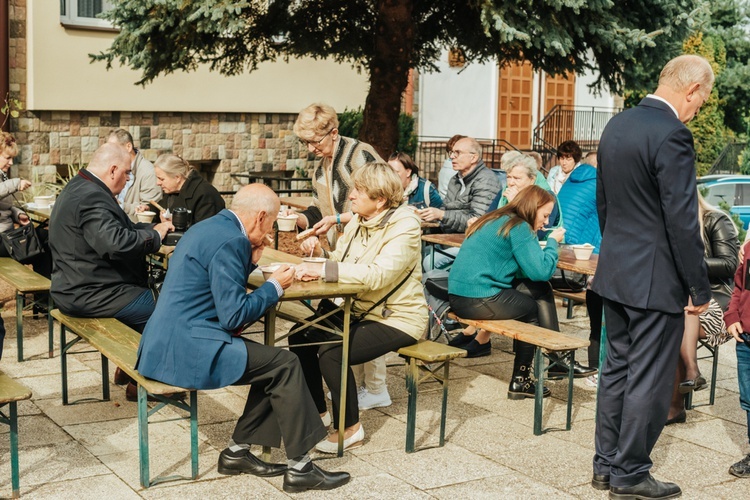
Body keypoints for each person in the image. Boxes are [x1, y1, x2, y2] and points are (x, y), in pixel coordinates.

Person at [135, 184, 349, 492]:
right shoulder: (231, 240)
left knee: (272, 364)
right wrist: (275, 286)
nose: (272, 228)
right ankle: (300, 467)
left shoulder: (209, 227)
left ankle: (237, 452)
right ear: (261, 217)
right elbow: (234, 315)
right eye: (272, 222)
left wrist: (253, 258)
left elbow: (218, 281)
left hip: (164, 342)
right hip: (187, 349)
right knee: (285, 364)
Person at [592, 54, 714, 499]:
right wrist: (698, 288)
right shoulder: (673, 134)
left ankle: (605, 466)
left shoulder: (616, 126)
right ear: (692, 89)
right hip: (655, 280)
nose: (698, 109)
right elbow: (683, 222)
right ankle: (630, 473)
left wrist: (619, 256)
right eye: (702, 100)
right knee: (650, 378)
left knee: (616, 371)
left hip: (617, 273)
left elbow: (605, 204)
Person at [290, 162, 427, 453]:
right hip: (360, 308)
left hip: (398, 317)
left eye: (359, 191)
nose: (350, 196)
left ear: (380, 200)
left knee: (332, 351)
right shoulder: (359, 221)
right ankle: (319, 413)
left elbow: (378, 274)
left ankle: (349, 428)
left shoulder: (405, 225)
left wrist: (325, 269)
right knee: (300, 335)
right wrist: (319, 253)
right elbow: (340, 260)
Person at [447, 186, 564, 392]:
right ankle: (523, 379)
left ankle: (557, 358)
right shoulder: (520, 226)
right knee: (531, 310)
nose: (547, 222)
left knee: (540, 290)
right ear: (532, 208)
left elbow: (523, 272)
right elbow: (541, 271)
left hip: (460, 295)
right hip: (477, 299)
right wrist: (553, 243)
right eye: (545, 215)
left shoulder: (497, 218)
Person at [666, 192, 738, 424]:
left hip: (719, 299)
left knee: (679, 317)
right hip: (684, 302)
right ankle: (689, 378)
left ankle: (678, 400)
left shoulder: (715, 220)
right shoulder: (669, 226)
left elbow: (730, 264)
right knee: (670, 321)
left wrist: (688, 263)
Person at [292, 103, 381, 249]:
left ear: (334, 133)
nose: (310, 148)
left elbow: (381, 202)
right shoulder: (321, 169)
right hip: (341, 251)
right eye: (306, 142)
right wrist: (298, 218)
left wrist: (336, 219)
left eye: (316, 141)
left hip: (370, 248)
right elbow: (318, 212)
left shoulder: (361, 154)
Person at [419, 136, 501, 269]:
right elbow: (447, 209)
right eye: (451, 152)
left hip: (474, 244)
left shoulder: (486, 181)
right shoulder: (455, 179)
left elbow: (477, 222)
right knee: (417, 253)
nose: (452, 156)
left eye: (457, 153)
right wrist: (427, 214)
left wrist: (441, 215)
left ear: (473, 158)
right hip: (451, 239)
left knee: (429, 262)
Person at [557, 160, 602, 383]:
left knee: (597, 311)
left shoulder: (573, 179)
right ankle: (598, 371)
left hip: (563, 249)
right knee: (605, 314)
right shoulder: (601, 183)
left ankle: (593, 370)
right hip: (583, 261)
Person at [0, 131, 52, 280]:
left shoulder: (2, 175)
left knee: (42, 249)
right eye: (7, 158)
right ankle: (45, 297)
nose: (11, 163)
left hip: (6, 237)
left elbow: (5, 206)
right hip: (2, 240)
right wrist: (16, 183)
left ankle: (42, 296)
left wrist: (18, 215)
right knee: (46, 238)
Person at [723, 240, 750, 479]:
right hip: (746, 339)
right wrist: (731, 316)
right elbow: (739, 287)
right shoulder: (749, 249)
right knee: (749, 400)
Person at [141, 154, 225, 226]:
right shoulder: (172, 191)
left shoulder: (205, 195)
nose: (157, 183)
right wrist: (148, 209)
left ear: (177, 177)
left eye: (161, 179)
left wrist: (176, 224)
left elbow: (205, 231)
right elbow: (163, 208)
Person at [106, 129, 162, 222]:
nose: (110, 153)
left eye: (114, 149)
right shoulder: (114, 168)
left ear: (128, 146)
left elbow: (148, 211)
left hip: (135, 230)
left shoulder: (148, 172)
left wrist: (120, 206)